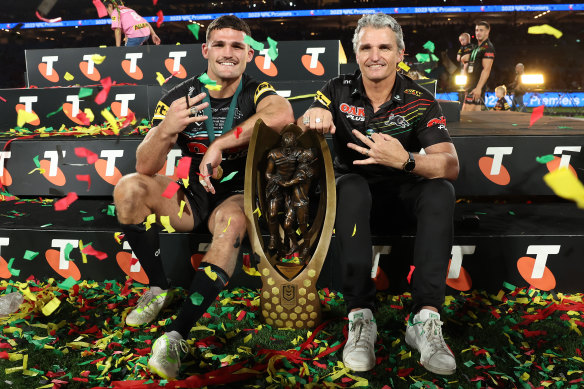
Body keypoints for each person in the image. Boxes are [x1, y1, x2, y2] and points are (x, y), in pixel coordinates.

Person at [112, 15, 293, 379]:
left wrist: (221, 144)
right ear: (205, 49)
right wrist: (165, 130)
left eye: (237, 46)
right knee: (129, 187)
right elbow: (145, 166)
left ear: (248, 54)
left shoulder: (256, 91)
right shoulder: (179, 97)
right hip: (192, 195)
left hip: (238, 193)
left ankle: (177, 333)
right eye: (221, 45)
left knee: (233, 221)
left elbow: (282, 114)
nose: (229, 52)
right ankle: (159, 288)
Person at [299, 13, 459, 375]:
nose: (375, 55)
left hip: (404, 197)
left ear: (400, 53)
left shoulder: (420, 99)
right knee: (351, 185)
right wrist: (312, 115)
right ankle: (361, 316)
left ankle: (425, 320)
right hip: (354, 200)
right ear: (356, 54)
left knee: (441, 191)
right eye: (366, 47)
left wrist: (404, 160)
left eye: (384, 47)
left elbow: (450, 164)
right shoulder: (337, 88)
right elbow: (304, 122)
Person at [462, 21, 495, 112]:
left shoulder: (488, 47)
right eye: (476, 30)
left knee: (467, 114)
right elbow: (466, 59)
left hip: (475, 86)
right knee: (473, 115)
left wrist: (478, 88)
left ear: (487, 31)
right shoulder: (477, 47)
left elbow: (486, 69)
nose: (478, 33)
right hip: (471, 85)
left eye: (481, 30)